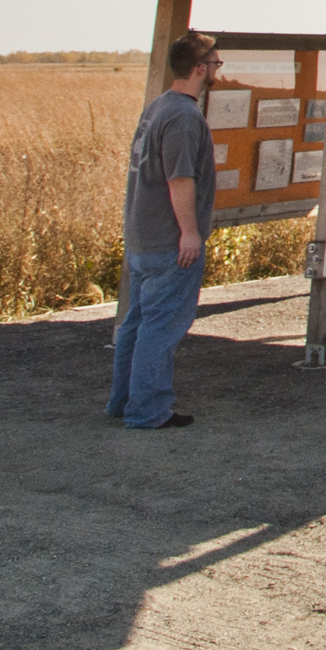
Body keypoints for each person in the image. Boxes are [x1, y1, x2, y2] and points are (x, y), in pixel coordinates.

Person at [108, 31, 218, 431]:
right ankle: (148, 411)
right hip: (169, 243)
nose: (217, 70)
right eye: (215, 64)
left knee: (137, 322)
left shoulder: (158, 107)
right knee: (161, 327)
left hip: (143, 236)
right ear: (200, 68)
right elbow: (180, 179)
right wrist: (189, 233)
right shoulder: (185, 117)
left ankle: (123, 402)